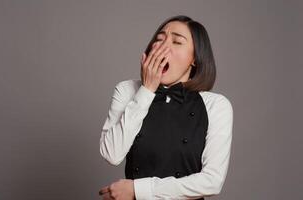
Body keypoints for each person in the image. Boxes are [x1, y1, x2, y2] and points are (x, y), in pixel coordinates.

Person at [98, 15, 233, 200]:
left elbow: (211, 182)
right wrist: (146, 90)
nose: (162, 47)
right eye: (159, 39)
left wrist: (137, 190)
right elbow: (111, 153)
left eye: (177, 42)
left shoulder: (216, 105)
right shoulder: (127, 90)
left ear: (194, 58)